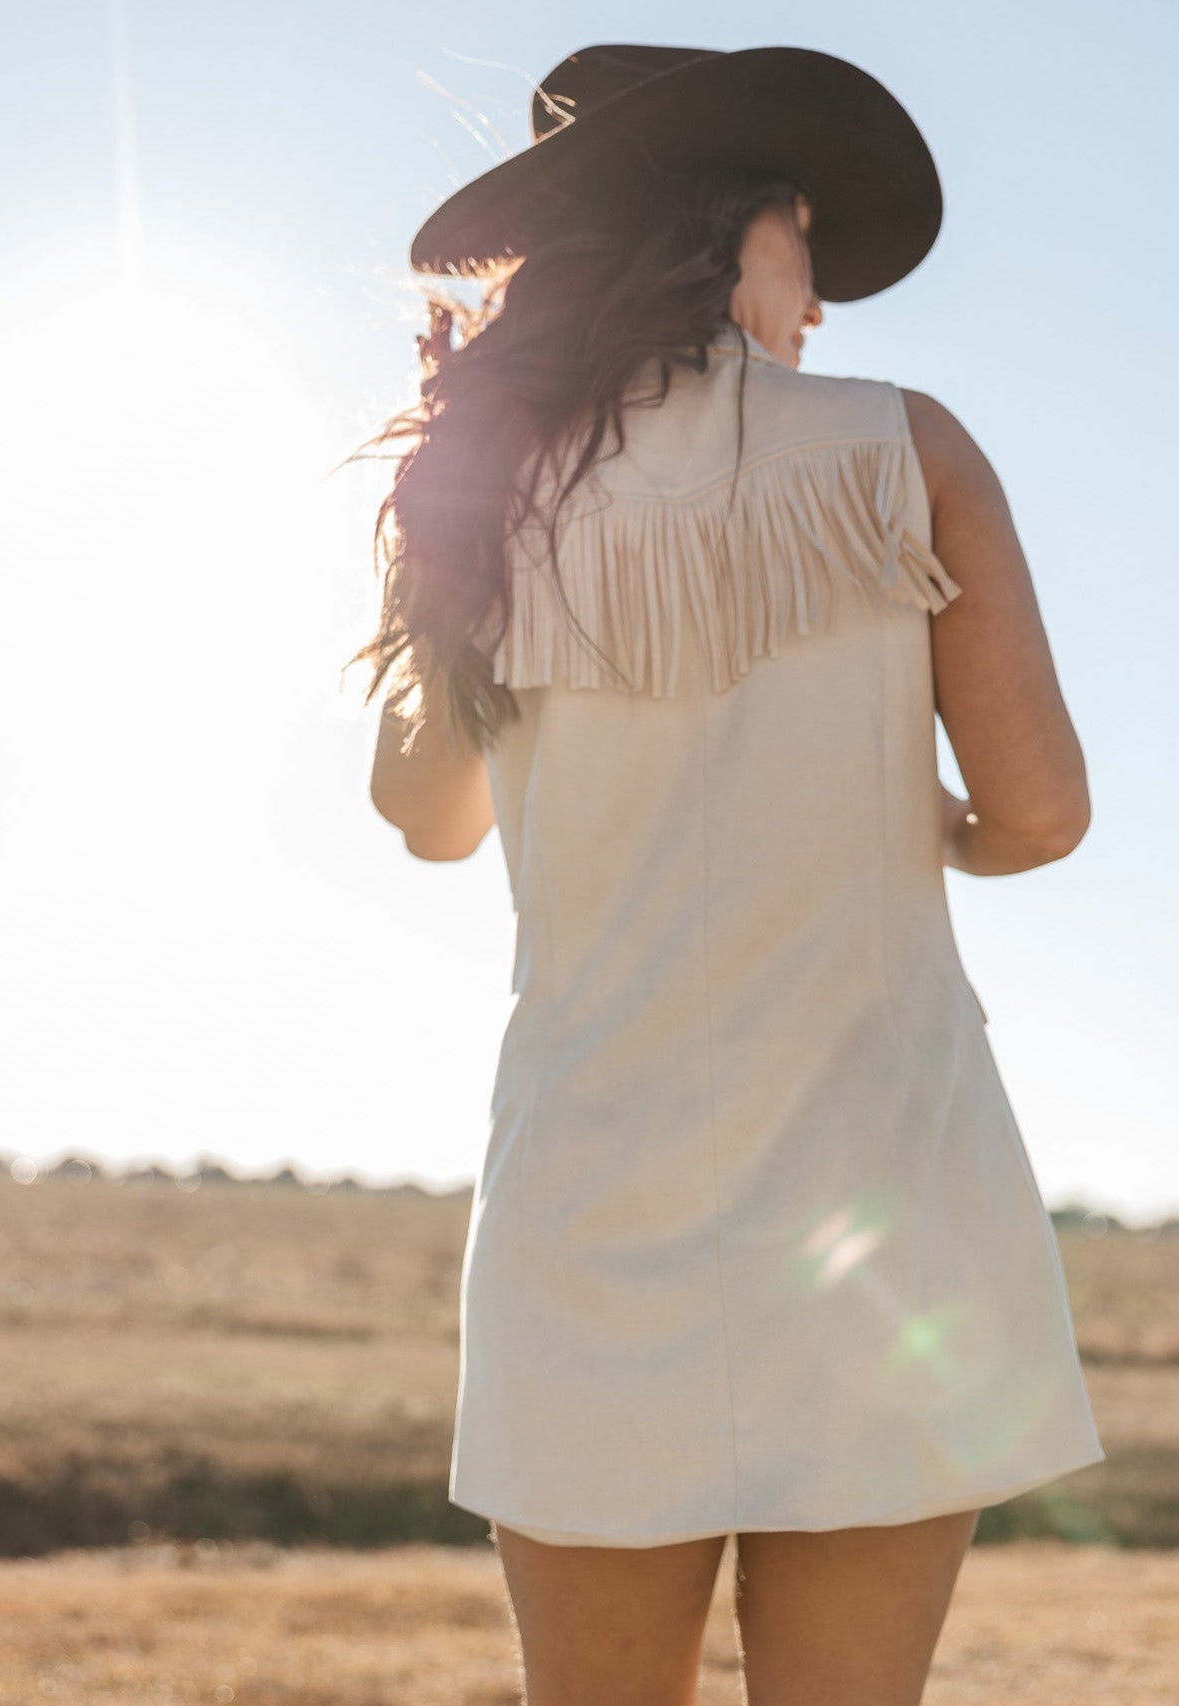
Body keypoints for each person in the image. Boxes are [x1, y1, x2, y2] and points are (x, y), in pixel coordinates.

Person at [347, 42, 1104, 1706]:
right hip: (882, 1204)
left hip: (592, 1213)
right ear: (725, 225)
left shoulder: (492, 490)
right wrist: (928, 820)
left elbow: (430, 813)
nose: (817, 302)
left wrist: (459, 526)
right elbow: (1043, 813)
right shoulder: (906, 452)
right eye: (804, 245)